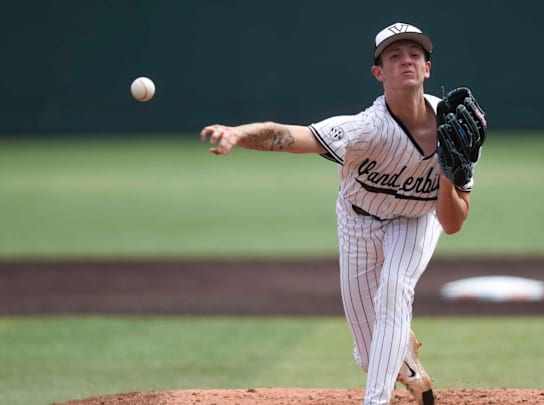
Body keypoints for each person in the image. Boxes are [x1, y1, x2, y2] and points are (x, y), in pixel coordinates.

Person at [200, 22, 484, 405]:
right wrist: (239, 133)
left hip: (416, 220)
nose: (406, 61)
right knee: (371, 356)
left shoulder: (458, 130)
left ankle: (376, 401)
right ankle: (409, 368)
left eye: (414, 54)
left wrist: (449, 176)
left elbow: (452, 223)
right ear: (378, 73)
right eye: (394, 55)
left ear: (427, 68)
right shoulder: (365, 130)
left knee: (394, 290)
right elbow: (287, 137)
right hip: (358, 220)